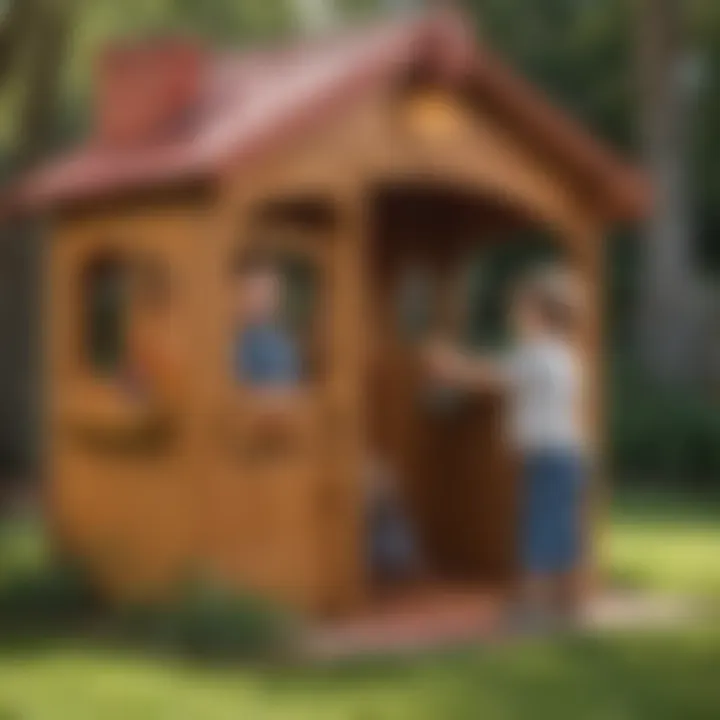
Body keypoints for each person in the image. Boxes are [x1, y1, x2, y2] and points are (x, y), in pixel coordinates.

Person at [425, 266, 587, 629]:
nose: (514, 316)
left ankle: (532, 606)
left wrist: (448, 366)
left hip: (548, 455)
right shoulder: (562, 354)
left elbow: (492, 377)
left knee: (538, 527)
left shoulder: (539, 354)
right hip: (565, 454)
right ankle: (566, 603)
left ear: (540, 315)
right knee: (559, 528)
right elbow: (503, 374)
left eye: (520, 309)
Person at [233, 256, 301, 391]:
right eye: (253, 290)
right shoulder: (232, 337)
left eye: (266, 292)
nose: (258, 299)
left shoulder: (280, 344)